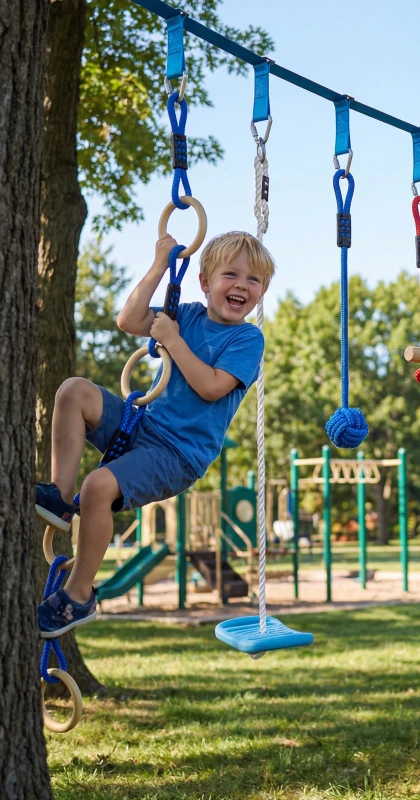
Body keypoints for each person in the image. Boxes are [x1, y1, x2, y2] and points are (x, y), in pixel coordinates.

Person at [35, 231, 273, 638]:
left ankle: (78, 596)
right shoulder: (189, 314)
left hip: (178, 454)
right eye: (230, 274)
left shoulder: (247, 338)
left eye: (254, 281)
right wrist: (160, 265)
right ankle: (59, 495)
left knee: (98, 487)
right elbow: (128, 319)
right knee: (73, 390)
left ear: (261, 291)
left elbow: (212, 386)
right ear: (204, 281)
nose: (241, 285)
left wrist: (173, 340)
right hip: (143, 423)